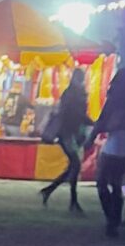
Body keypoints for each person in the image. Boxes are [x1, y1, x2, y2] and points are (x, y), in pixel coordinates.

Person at [88, 66, 125, 236]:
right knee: (116, 182)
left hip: (116, 140)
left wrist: (90, 138)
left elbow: (103, 120)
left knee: (102, 181)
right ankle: (114, 220)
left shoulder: (115, 96)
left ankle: (112, 219)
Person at [39, 66, 91, 212]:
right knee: (75, 165)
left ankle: (53, 191)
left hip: (69, 133)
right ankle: (70, 199)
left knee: (73, 166)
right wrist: (90, 121)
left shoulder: (71, 93)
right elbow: (73, 114)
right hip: (68, 133)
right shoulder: (75, 94)